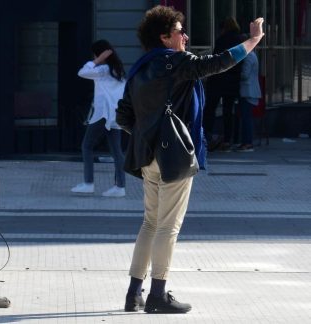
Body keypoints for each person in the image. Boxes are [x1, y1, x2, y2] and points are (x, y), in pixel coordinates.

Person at [116, 5, 264, 313]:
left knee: (150, 222)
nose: (185, 36)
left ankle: (133, 293)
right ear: (165, 37)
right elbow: (219, 63)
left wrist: (150, 134)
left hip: (148, 156)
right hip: (173, 156)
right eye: (180, 31)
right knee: (168, 226)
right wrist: (252, 41)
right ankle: (157, 293)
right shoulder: (174, 63)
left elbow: (124, 117)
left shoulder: (139, 68)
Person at [71, 40, 127, 197]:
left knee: (87, 146)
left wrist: (97, 60)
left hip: (103, 114)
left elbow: (82, 72)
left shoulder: (102, 69)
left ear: (100, 54)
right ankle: (120, 187)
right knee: (117, 151)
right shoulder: (119, 71)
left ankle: (88, 183)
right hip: (117, 115)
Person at [203, 17, 245, 152]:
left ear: (223, 28)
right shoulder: (239, 40)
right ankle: (228, 140)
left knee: (210, 109)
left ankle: (206, 137)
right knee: (228, 111)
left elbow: (216, 61)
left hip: (218, 80)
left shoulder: (221, 40)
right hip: (232, 82)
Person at [236, 48, 261, 152]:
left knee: (247, 118)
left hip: (247, 91)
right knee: (247, 118)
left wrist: (235, 75)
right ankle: (246, 142)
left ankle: (247, 143)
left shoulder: (248, 56)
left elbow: (245, 75)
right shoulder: (252, 55)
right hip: (248, 91)